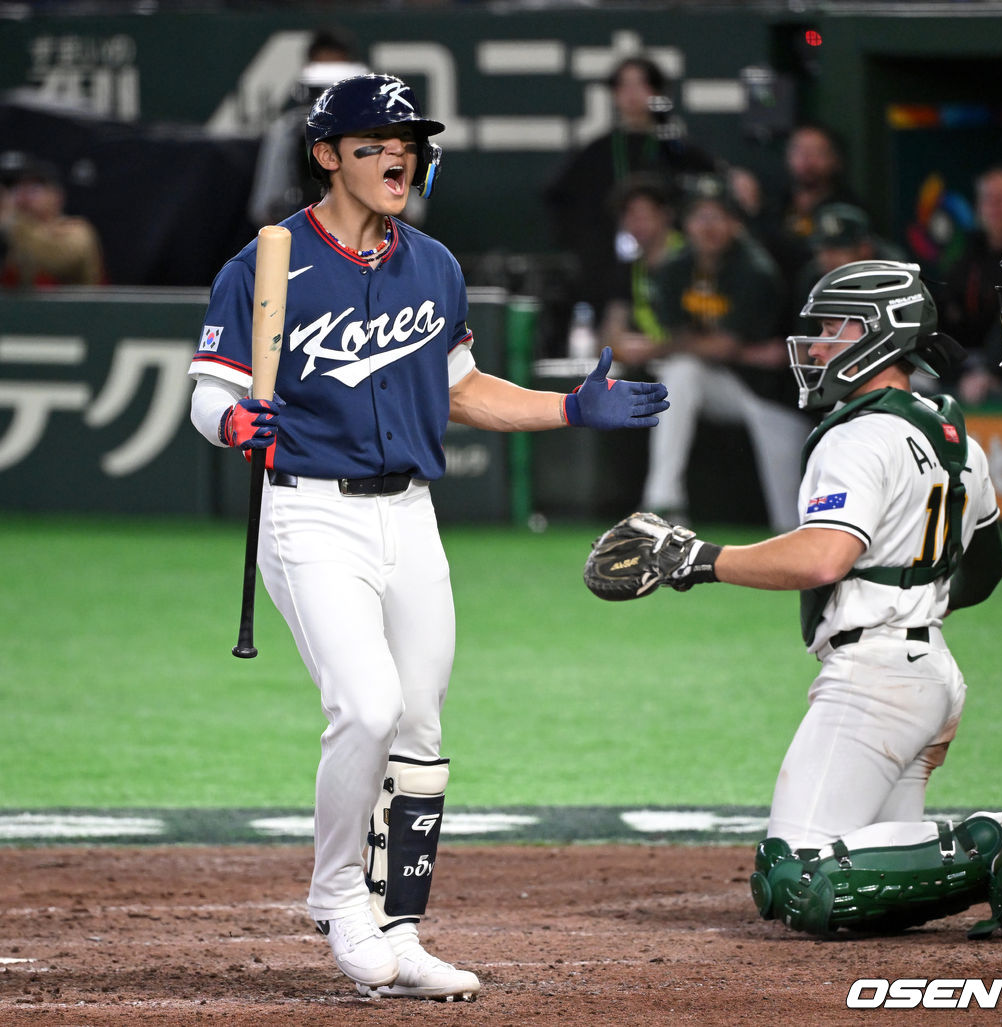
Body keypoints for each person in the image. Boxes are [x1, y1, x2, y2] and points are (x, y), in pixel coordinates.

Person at [186, 73, 668, 1001]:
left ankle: (401, 929)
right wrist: (232, 422)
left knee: (420, 727)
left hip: (410, 513)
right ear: (327, 156)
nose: (397, 158)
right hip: (309, 512)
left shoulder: (434, 266)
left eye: (407, 143)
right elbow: (212, 388)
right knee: (366, 708)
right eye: (374, 143)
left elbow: (463, 389)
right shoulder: (269, 262)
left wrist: (569, 407)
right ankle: (337, 894)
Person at [590, 259, 1002, 940]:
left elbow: (824, 556)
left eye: (832, 328)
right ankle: (990, 856)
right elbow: (987, 571)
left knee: (795, 875)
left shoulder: (858, 434)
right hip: (931, 673)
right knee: (868, 883)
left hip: (876, 682)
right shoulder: (958, 440)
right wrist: (914, 601)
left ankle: (998, 842)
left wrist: (698, 559)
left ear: (881, 333)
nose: (817, 346)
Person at [638, 181, 810, 532]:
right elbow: (687, 339)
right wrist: (739, 351)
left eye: (718, 217)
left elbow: (723, 346)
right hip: (724, 381)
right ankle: (663, 499)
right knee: (680, 372)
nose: (708, 227)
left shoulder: (754, 269)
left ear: (736, 223)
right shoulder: (675, 269)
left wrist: (658, 348)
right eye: (700, 217)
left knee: (791, 522)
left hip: (771, 393)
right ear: (686, 224)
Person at [542, 55, 719, 329]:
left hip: (667, 264)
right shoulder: (596, 151)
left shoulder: (675, 149)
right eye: (624, 86)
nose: (632, 94)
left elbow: (711, 181)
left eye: (641, 85)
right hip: (606, 266)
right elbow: (558, 199)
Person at [247, 27, 368, 228]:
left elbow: (407, 209)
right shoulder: (288, 130)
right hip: (307, 231)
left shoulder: (376, 126)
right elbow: (266, 208)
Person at [942, 166, 1002, 404]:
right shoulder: (969, 255)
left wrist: (991, 370)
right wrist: (960, 372)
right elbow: (944, 317)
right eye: (988, 199)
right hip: (971, 373)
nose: (995, 208)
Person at [598, 172, 687, 369]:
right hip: (649, 368)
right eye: (629, 215)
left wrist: (655, 349)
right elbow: (609, 336)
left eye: (644, 215)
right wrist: (623, 346)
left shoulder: (692, 260)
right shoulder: (629, 270)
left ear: (666, 215)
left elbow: (707, 337)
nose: (637, 223)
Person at [761, 122, 862, 290]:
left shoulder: (850, 211)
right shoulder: (773, 206)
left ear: (835, 160)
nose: (807, 160)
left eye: (817, 152)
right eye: (799, 151)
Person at [0, 152, 105, 288]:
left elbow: (56, 259)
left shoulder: (76, 231)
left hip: (70, 302)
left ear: (57, 196)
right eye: (15, 189)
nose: (23, 196)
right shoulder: (10, 233)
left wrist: (10, 221)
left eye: (33, 189)